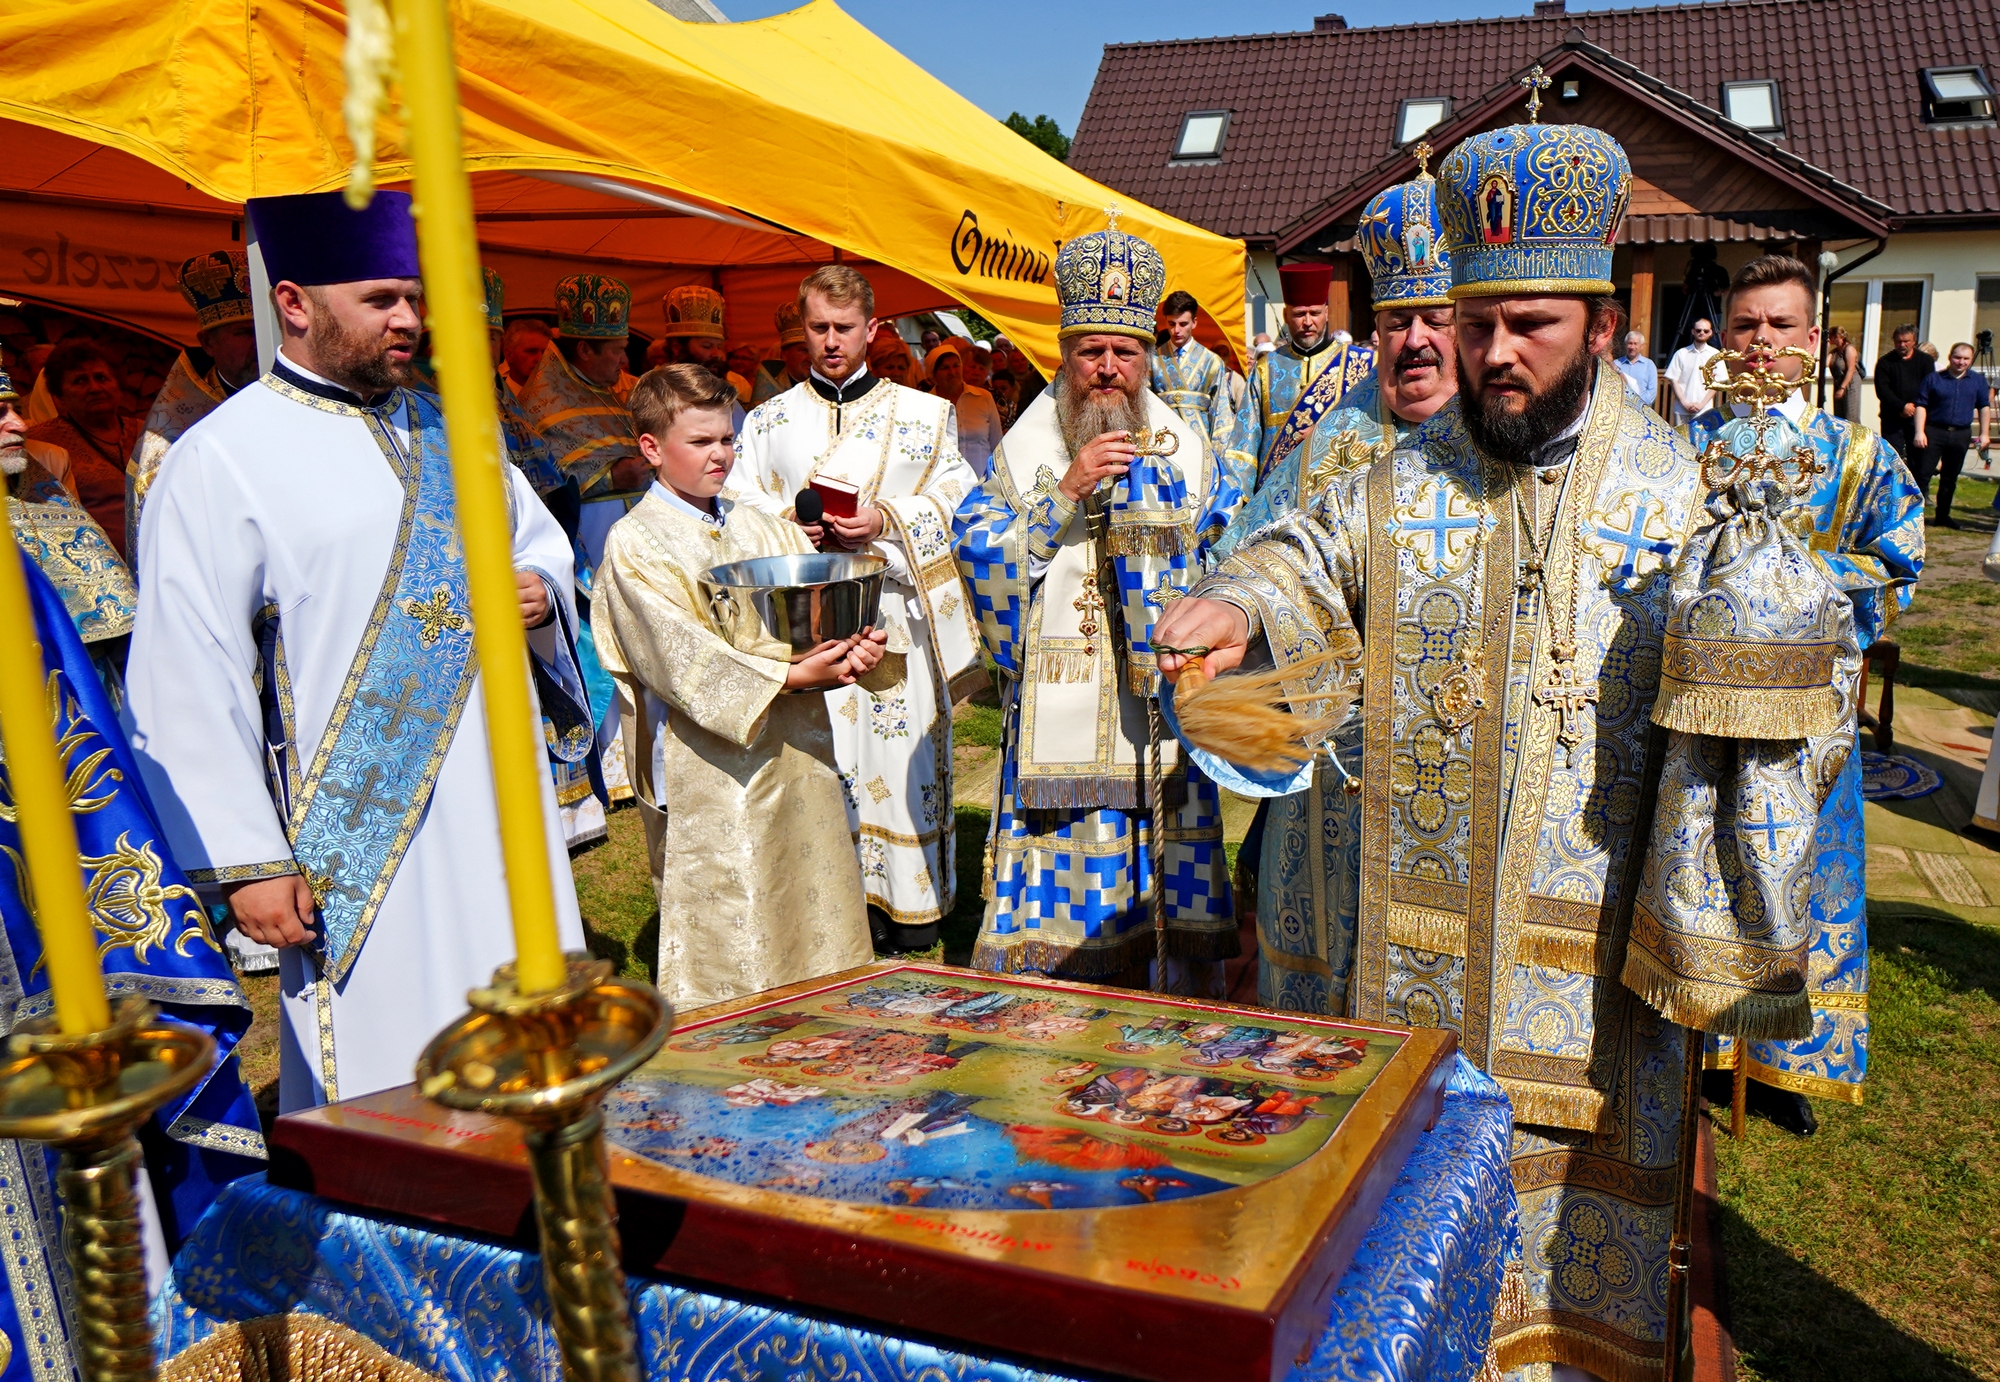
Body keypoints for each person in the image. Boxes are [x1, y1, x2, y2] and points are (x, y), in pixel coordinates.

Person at [1156, 119, 1835, 1381]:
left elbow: (1787, 708)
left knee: (1562, 1319)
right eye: (1475, 325)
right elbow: (1305, 552)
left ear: (1601, 321)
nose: (1492, 356)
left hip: (1585, 999)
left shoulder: (1681, 497)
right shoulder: (1402, 477)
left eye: (1529, 325)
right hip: (1404, 971)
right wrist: (1242, 600)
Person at [125, 189, 588, 1111]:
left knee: (535, 1043)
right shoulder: (221, 459)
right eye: (381, 300)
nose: (411, 320)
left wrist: (540, 600)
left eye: (415, 297)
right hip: (358, 837)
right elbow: (187, 665)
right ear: (294, 302)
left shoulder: (458, 431)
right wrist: (250, 858)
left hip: (504, 799)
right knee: (384, 1076)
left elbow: (536, 548)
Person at [952, 221, 1244, 994]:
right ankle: (1059, 1004)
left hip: (1162, 709)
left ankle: (1170, 1006)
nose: (1108, 370)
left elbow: (1231, 554)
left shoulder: (1185, 444)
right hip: (1063, 711)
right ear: (1065, 354)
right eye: (1091, 351)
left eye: (1126, 352)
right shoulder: (1031, 444)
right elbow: (977, 548)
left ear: (1148, 356)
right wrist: (1066, 493)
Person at [1213, 158, 1460, 1006]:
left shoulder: (1511, 446)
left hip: (1459, 768)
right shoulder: (1327, 443)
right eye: (1396, 320)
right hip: (1330, 779)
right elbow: (1247, 563)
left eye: (1437, 316)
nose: (1415, 340)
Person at [1690, 254, 1924, 1136]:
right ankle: (1706, 1047)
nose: (1761, 345)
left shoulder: (1856, 455)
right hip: (1704, 711)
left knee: (1807, 880)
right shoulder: (1687, 447)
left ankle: (1787, 1063)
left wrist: (1792, 579)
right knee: (1707, 870)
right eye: (1747, 325)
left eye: (1780, 328)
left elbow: (1901, 565)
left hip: (1811, 721)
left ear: (1814, 341)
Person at [595, 364, 882, 1010]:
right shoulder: (635, 544)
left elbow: (814, 607)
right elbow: (677, 655)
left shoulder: (760, 526)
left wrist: (855, 642)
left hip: (799, 748)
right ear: (651, 449)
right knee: (740, 895)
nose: (721, 455)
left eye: (727, 439)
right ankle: (734, 1037)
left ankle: (828, 1019)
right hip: (715, 765)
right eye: (701, 443)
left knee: (810, 885)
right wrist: (787, 674)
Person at [736, 266, 984, 952]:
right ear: (801, 328)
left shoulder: (927, 415)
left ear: (873, 330)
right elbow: (738, 510)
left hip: (895, 615)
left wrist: (887, 519)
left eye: (844, 329)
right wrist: (788, 522)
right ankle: (838, 904)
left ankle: (912, 903)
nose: (831, 343)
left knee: (901, 753)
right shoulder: (769, 421)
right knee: (828, 761)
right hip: (807, 629)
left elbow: (959, 506)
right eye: (818, 329)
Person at [485, 268, 607, 850]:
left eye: (488, 336)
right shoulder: (427, 407)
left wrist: (539, 571)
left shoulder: (502, 400)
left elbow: (537, 482)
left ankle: (568, 808)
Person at [127, 250, 263, 555]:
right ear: (208, 344)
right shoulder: (172, 435)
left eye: (266, 331)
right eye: (244, 332)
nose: (260, 343)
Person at [1224, 263, 1374, 500]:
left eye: (1314, 313)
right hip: (1275, 496)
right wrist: (1239, 500)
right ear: (1285, 315)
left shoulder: (1361, 364)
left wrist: (1326, 435)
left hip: (1338, 493)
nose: (1307, 323)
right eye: (1298, 314)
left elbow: (1375, 431)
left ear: (1327, 312)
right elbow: (1244, 442)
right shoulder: (1266, 368)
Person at [517, 273, 644, 496]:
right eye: (617, 350)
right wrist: (610, 479)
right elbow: (536, 482)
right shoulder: (543, 404)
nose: (624, 360)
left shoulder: (601, 390)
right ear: (585, 350)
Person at [26, 339, 143, 557]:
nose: (95, 388)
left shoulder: (148, 433)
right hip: (97, 570)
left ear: (118, 385)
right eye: (80, 381)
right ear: (59, 396)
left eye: (101, 378)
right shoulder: (43, 444)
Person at [1914, 341, 1991, 527]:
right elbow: (1921, 405)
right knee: (1922, 475)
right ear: (1950, 357)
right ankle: (1913, 517)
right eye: (1957, 357)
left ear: (1971, 360)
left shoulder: (1978, 381)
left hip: (1960, 434)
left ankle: (1943, 516)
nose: (1961, 362)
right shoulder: (1934, 379)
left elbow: (1984, 407)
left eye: (1965, 359)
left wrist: (1985, 434)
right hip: (1934, 431)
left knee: (1950, 477)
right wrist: (1919, 431)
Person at [1149, 290, 1234, 459]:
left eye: (1183, 324)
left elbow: (1221, 411)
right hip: (1163, 446)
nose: (1176, 330)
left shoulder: (1211, 362)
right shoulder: (1153, 360)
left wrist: (1219, 457)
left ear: (1194, 322)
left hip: (1200, 448)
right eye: (1171, 324)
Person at [928, 341, 1003, 478]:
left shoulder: (984, 397)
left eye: (956, 365)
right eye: (944, 368)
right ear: (933, 374)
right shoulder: (927, 403)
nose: (952, 372)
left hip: (981, 480)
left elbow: (997, 443)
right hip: (943, 482)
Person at [1875, 323, 1932, 465]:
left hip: (1918, 416)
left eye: (1906, 341)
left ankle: (1915, 485)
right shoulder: (1885, 362)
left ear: (1914, 342)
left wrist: (1914, 407)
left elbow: (1929, 387)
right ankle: (1892, 485)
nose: (1902, 345)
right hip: (1892, 417)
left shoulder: (1925, 361)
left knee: (1918, 457)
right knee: (1892, 456)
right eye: (1898, 341)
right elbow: (1883, 390)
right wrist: (1901, 406)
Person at [751, 301, 812, 406]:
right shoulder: (769, 390)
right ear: (784, 354)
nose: (811, 359)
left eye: (815, 351)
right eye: (804, 350)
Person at [1663, 317, 1720, 429]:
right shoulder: (1681, 353)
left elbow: (1716, 383)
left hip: (1705, 409)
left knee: (1702, 444)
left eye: (1706, 331)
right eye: (1698, 330)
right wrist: (1684, 402)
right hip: (1681, 409)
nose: (1702, 333)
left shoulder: (1715, 355)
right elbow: (1673, 380)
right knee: (1681, 442)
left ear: (1711, 333)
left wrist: (1702, 404)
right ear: (1693, 331)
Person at [500, 316, 551, 396]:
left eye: (545, 352)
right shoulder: (493, 400)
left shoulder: (562, 399)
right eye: (531, 351)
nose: (540, 359)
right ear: (509, 354)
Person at [1612, 329, 1657, 406]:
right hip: (1620, 407)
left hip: (1641, 408)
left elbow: (1652, 392)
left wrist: (1639, 404)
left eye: (1635, 344)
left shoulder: (1649, 365)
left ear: (1642, 346)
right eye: (1630, 343)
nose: (1632, 347)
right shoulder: (1616, 364)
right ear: (1625, 345)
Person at [1826, 323, 1861, 421]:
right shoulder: (1835, 352)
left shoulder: (1849, 349)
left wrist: (1842, 388)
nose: (1829, 339)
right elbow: (1824, 363)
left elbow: (1851, 369)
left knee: (1850, 415)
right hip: (1839, 383)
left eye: (1830, 337)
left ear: (1836, 336)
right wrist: (1826, 347)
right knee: (1839, 415)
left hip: (1850, 384)